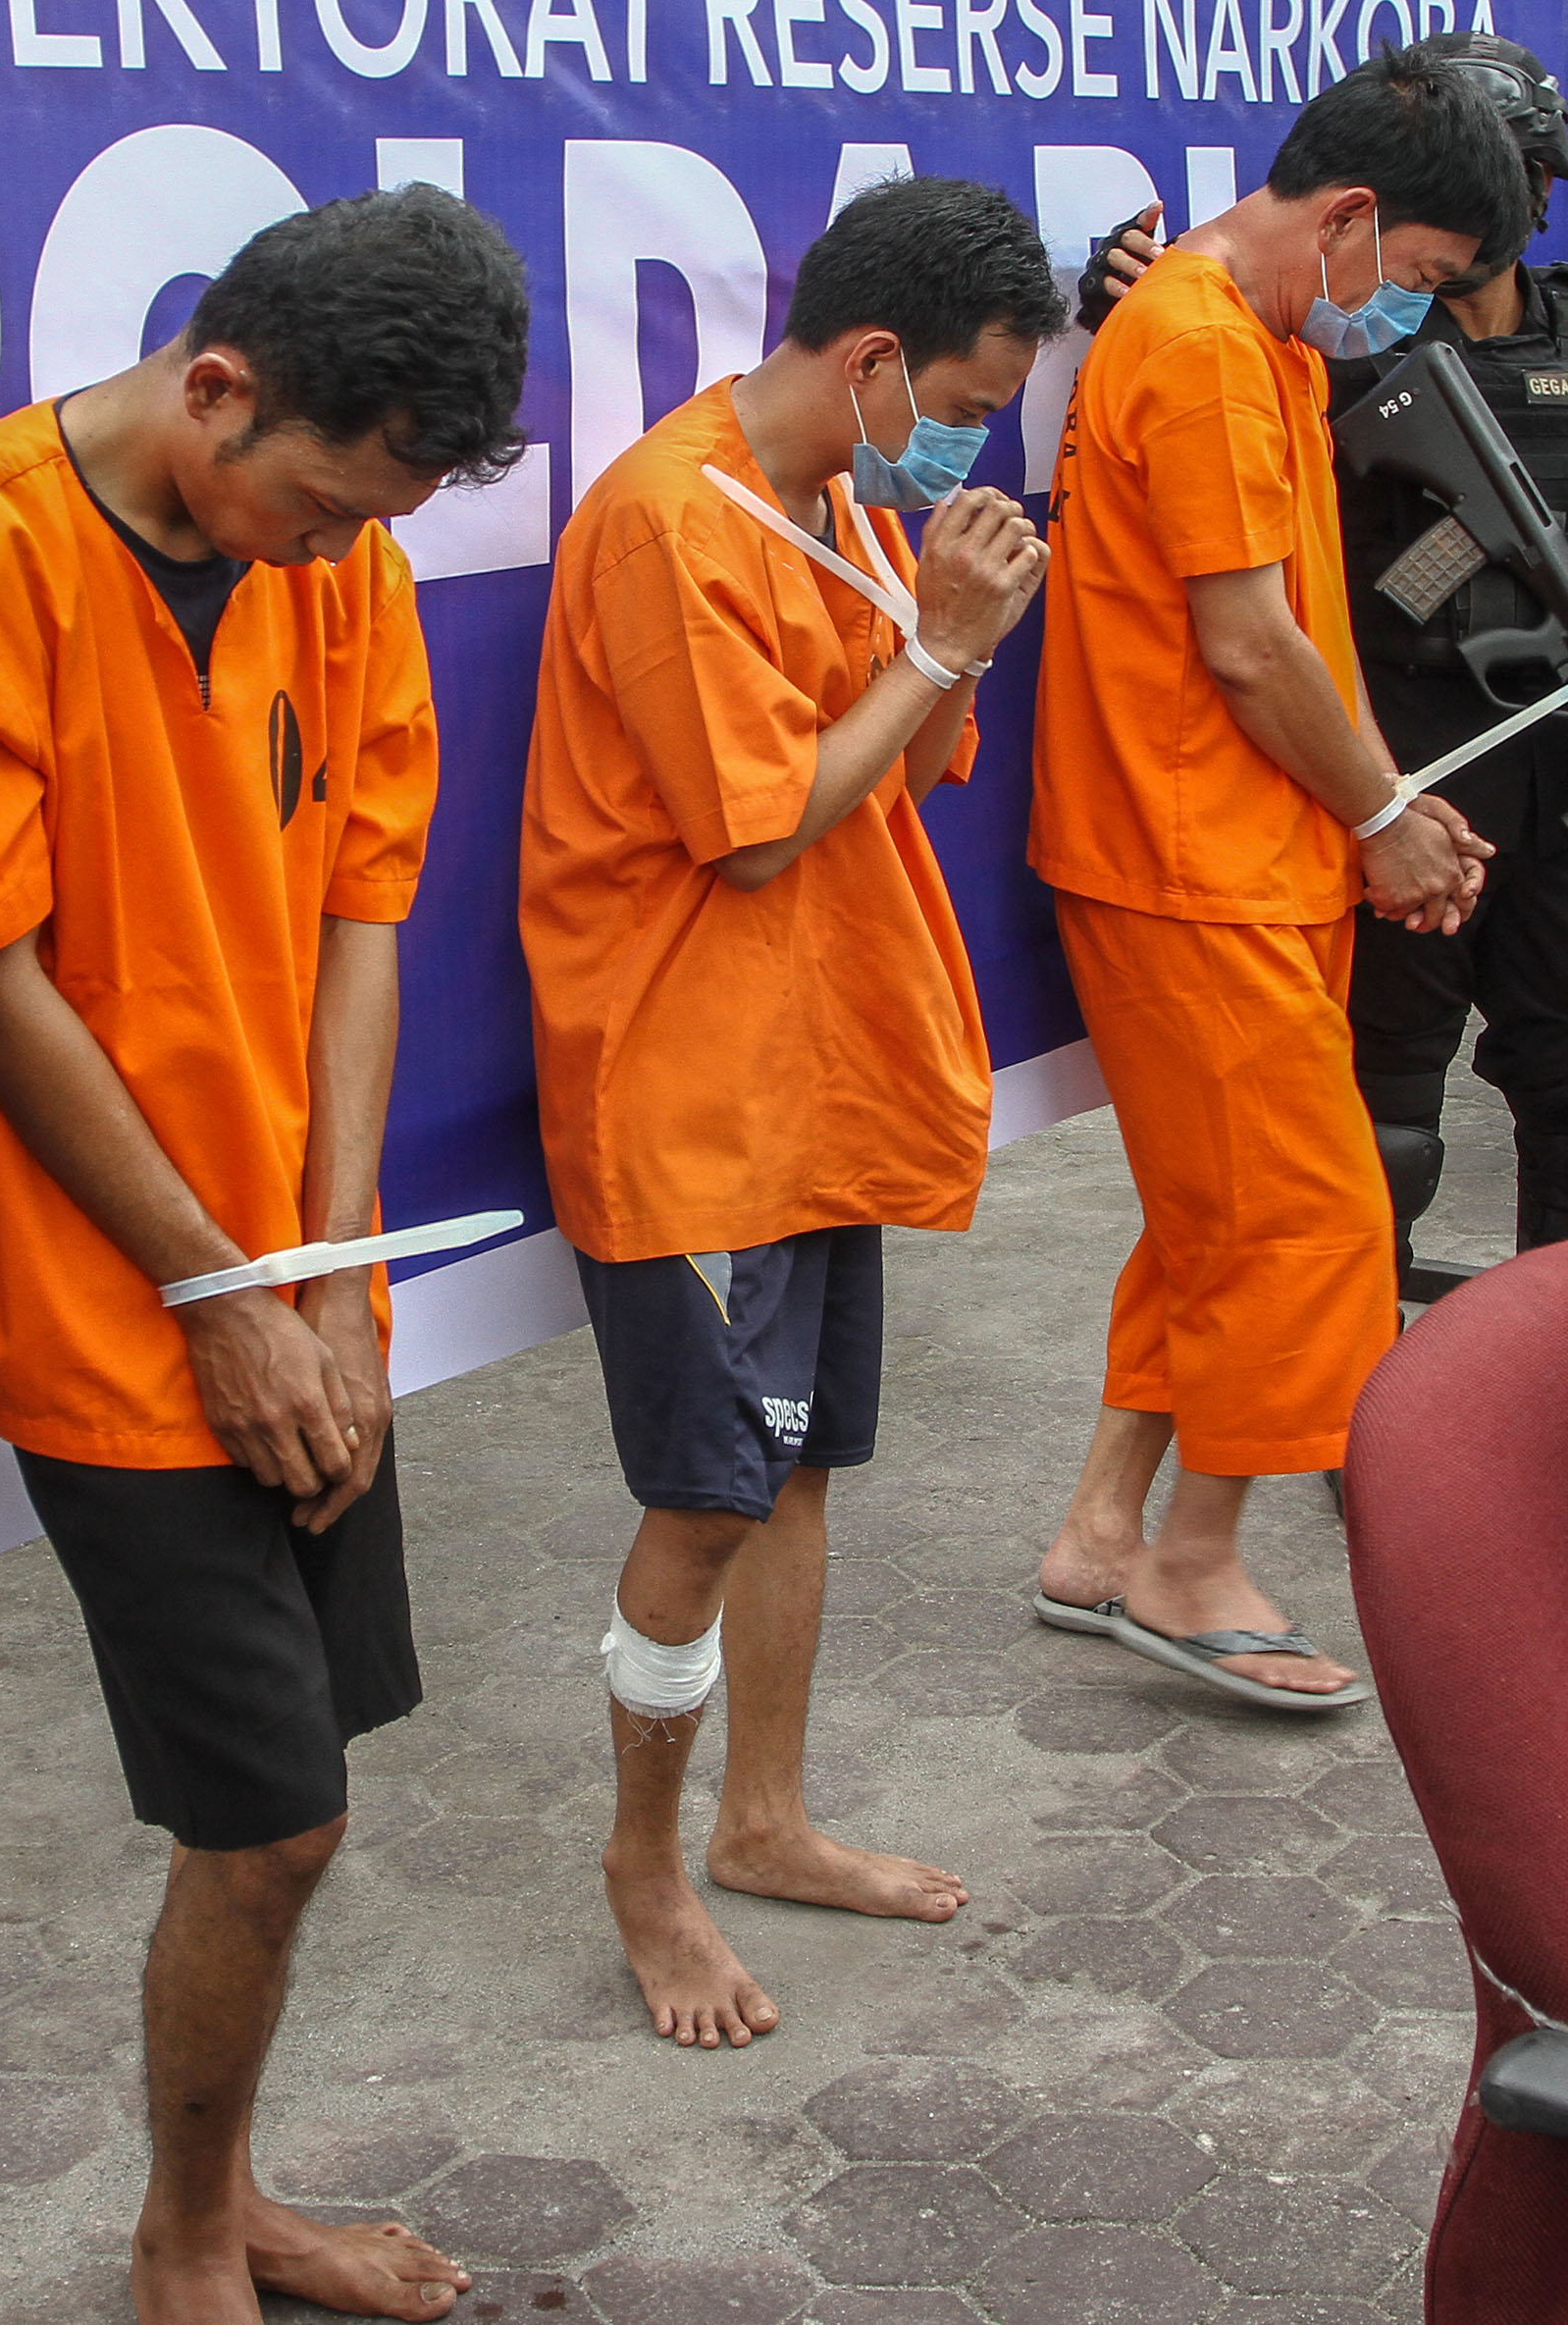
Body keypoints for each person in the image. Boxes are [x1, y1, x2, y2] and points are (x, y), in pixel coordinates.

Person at [0, 186, 528, 2325]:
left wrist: (323, 1271)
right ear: (213, 382)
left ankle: (225, 2199)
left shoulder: (344, 552)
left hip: (292, 1283)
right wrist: (224, 1299)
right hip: (101, 1296)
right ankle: (183, 2240)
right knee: (274, 1813)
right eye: (315, 503)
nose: (336, 557)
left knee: (292, 1792)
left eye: (369, 519)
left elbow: (359, 917)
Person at [520, 177, 1056, 2047]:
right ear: (877, 357)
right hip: (689, 1086)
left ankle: (764, 1818)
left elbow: (904, 754)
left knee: (802, 1458)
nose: (981, 440)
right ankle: (646, 1869)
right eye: (973, 399)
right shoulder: (672, 516)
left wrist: (952, 636)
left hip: (814, 1070)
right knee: (701, 1490)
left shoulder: (838, 499)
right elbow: (757, 833)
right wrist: (944, 637)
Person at [1024, 52, 1526, 1710]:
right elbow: (1245, 648)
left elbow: (1301, 627)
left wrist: (1391, 809)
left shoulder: (1257, 341)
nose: (1424, 315)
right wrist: (1380, 813)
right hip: (1185, 859)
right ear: (1356, 216)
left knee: (1210, 1218)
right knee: (1307, 1215)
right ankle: (1193, 1559)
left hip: (1239, 847)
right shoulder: (1201, 351)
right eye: (1430, 279)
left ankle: (1108, 1531)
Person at [1071, 35, 1568, 1283]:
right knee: (1368, 1129)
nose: (1444, 270)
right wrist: (1385, 801)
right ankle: (1368, 1405)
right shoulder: (1301, 335)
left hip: (1543, 756)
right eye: (1433, 246)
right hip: (1386, 745)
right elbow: (1263, 622)